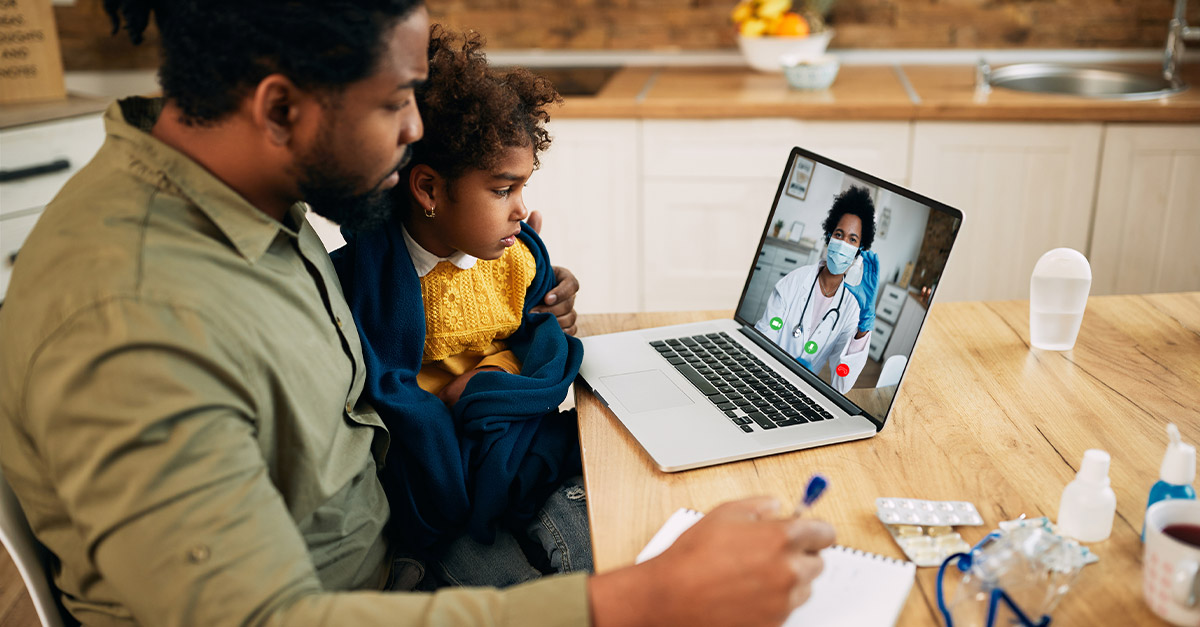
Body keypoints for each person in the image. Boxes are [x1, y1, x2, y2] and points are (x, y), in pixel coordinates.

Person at [0, 2, 834, 626]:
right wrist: (644, 598)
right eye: (398, 100)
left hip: (402, 553)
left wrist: (505, 278)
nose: (415, 129)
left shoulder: (244, 201)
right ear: (281, 108)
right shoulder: (135, 321)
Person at [330, 27, 590, 587]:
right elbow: (383, 398)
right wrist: (448, 409)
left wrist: (488, 381)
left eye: (523, 188)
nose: (522, 210)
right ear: (427, 190)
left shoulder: (514, 258)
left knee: (597, 546)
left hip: (515, 446)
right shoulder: (366, 280)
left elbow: (541, 341)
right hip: (436, 474)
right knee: (509, 588)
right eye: (502, 191)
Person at [756, 187, 880, 393]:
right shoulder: (796, 280)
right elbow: (762, 338)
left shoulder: (851, 308)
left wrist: (864, 325)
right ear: (829, 236)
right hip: (765, 376)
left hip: (803, 392)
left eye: (852, 239)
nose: (842, 243)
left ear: (859, 250)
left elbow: (842, 382)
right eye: (839, 234)